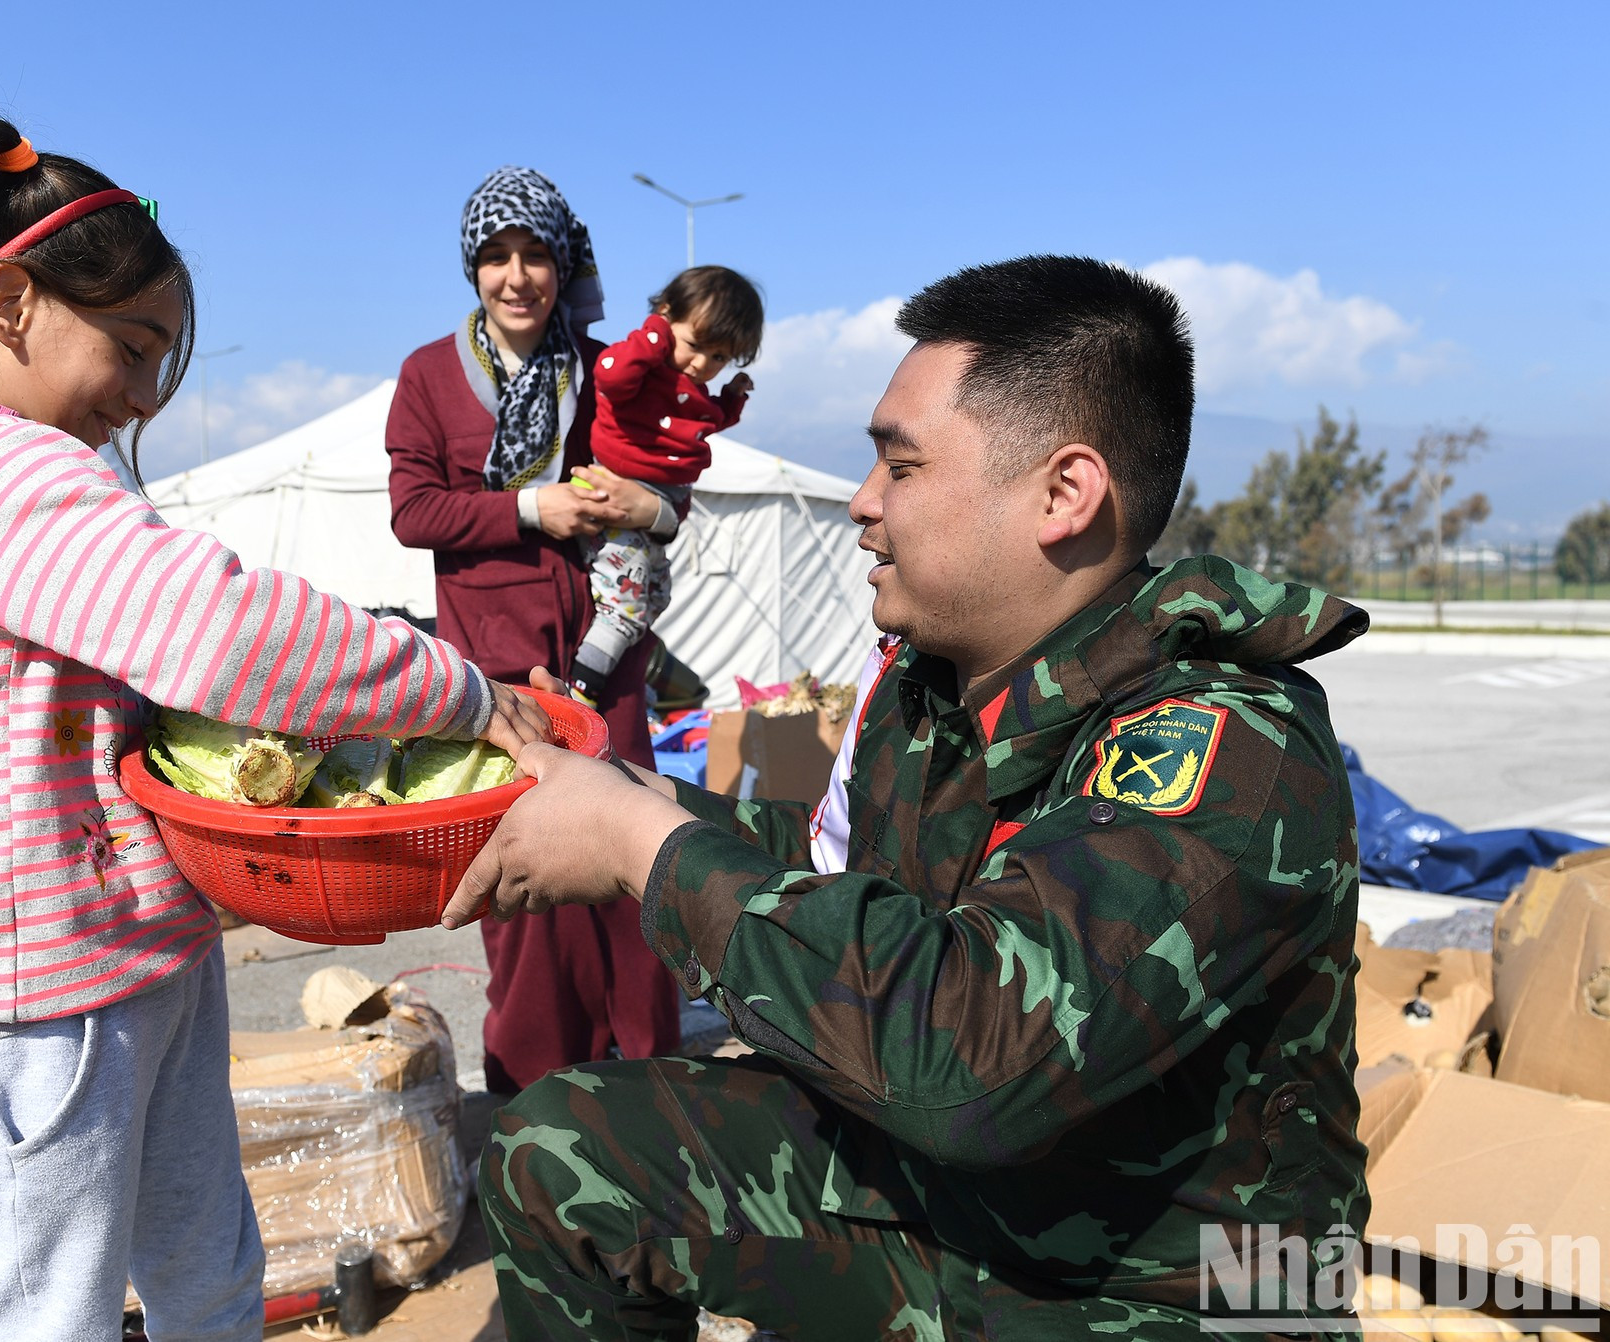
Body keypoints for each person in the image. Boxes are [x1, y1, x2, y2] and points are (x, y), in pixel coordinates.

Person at [0, 119, 547, 1342]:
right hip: (40, 1008)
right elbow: (226, 634)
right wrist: (462, 692)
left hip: (134, 961)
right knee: (50, 1311)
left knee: (210, 1261)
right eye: (134, 345)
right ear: (8, 302)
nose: (149, 392)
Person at [446, 256, 1372, 1339]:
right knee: (561, 1153)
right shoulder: (934, 687)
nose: (861, 502)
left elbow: (971, 1057)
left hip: (1149, 1288)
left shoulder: (1220, 746)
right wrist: (620, 796)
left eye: (900, 463)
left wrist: (643, 844)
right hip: (968, 1208)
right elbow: (842, 876)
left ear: (1061, 494)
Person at [386, 166, 682, 1093]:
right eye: (497, 257)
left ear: (562, 264)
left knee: (637, 865)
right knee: (522, 887)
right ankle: (536, 1104)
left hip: (606, 659)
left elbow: (665, 483)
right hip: (498, 672)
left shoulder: (604, 372)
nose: (517, 277)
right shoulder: (430, 375)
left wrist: (654, 506)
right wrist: (528, 508)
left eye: (535, 256)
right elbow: (414, 511)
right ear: (472, 268)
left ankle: (657, 1087)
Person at [569, 266, 763, 705]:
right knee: (626, 607)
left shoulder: (687, 387)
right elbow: (610, 375)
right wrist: (655, 331)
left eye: (718, 357)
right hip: (622, 488)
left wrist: (732, 396)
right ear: (665, 315)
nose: (701, 365)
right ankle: (583, 685)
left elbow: (708, 420)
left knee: (657, 594)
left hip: (663, 502)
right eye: (695, 346)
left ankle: (605, 666)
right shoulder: (642, 369)